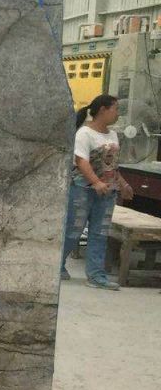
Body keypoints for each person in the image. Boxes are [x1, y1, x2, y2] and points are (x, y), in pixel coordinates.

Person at [61, 94, 134, 289]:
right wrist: (95, 182)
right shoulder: (84, 134)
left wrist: (123, 185)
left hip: (107, 193)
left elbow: (112, 166)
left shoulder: (113, 135)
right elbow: (81, 161)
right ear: (103, 110)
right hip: (82, 191)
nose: (118, 114)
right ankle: (57, 264)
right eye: (116, 109)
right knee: (73, 231)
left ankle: (96, 276)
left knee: (100, 233)